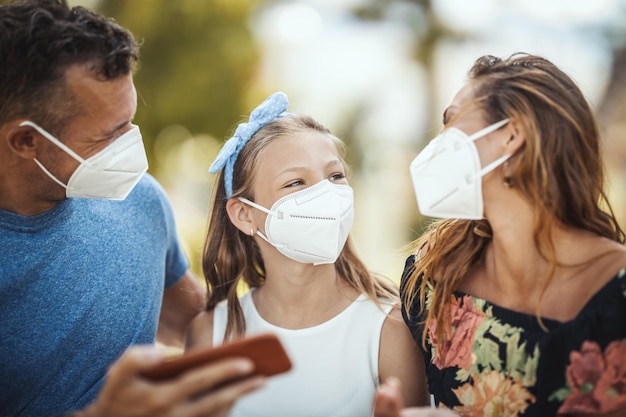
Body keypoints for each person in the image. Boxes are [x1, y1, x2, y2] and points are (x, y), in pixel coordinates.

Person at [0, 1, 264, 416]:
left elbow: (202, 329)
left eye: (130, 120)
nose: (130, 144)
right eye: (110, 133)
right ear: (24, 141)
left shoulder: (140, 200)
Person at [374, 53, 626, 417]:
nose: (439, 140)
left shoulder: (616, 293)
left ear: (511, 136)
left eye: (452, 120)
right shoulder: (433, 275)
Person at [185, 91, 431, 416]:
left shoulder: (390, 330)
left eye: (335, 176)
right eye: (296, 182)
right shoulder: (209, 334)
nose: (326, 193)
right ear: (244, 215)